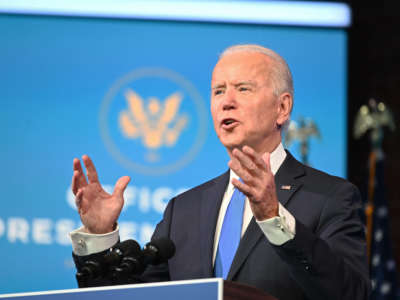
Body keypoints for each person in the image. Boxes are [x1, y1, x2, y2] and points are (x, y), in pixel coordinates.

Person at [70, 44, 370, 300]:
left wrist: (274, 218)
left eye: (243, 89)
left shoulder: (330, 198)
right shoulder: (183, 210)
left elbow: (350, 293)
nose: (227, 102)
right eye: (218, 91)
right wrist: (99, 237)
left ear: (282, 108)